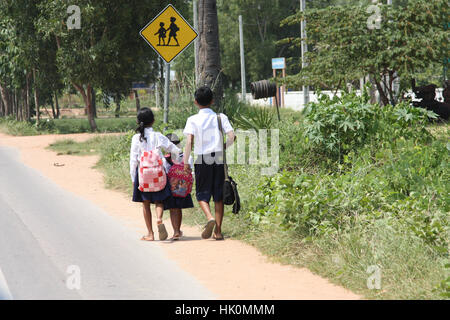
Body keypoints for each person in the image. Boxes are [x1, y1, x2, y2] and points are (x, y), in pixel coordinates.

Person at [183, 87, 236, 240]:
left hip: (201, 158)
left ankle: (209, 217)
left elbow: (189, 142)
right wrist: (223, 147)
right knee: (218, 195)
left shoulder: (192, 119)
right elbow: (232, 136)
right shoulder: (221, 117)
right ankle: (218, 232)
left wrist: (185, 161)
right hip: (218, 157)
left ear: (195, 102)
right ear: (212, 101)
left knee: (201, 193)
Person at [130, 108, 181, 241]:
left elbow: (133, 160)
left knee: (145, 203)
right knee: (159, 200)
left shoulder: (136, 138)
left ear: (138, 121)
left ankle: (150, 234)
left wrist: (133, 178)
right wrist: (180, 162)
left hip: (143, 174)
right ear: (153, 121)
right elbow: (175, 149)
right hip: (159, 173)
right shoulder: (158, 136)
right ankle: (159, 219)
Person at [163, 133, 194, 240]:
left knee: (173, 208)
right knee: (178, 208)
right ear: (179, 143)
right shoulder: (186, 156)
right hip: (182, 186)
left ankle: (176, 231)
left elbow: (165, 171)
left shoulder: (165, 158)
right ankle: (178, 230)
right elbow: (191, 172)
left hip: (169, 186)